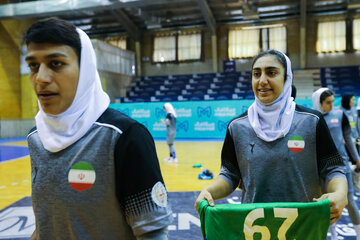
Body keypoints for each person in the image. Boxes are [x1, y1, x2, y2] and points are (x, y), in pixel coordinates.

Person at [25, 18, 172, 240]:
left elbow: (153, 234)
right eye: (33, 66)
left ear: (85, 68)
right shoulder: (36, 137)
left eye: (56, 63)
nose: (41, 78)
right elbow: (47, 223)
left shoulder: (125, 137)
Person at [195, 50, 347, 227]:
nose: (262, 81)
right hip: (254, 229)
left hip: (304, 227)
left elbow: (333, 168)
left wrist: (340, 193)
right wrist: (208, 191)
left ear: (286, 77)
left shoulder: (312, 121)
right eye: (256, 74)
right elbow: (230, 175)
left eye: (271, 72)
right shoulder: (237, 127)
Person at [312, 88, 360, 240]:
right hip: (319, 170)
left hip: (342, 166)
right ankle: (332, 236)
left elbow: (348, 139)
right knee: (326, 204)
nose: (331, 106)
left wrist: (357, 158)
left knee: (350, 202)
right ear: (318, 103)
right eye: (328, 103)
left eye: (333, 102)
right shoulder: (311, 119)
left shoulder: (340, 115)